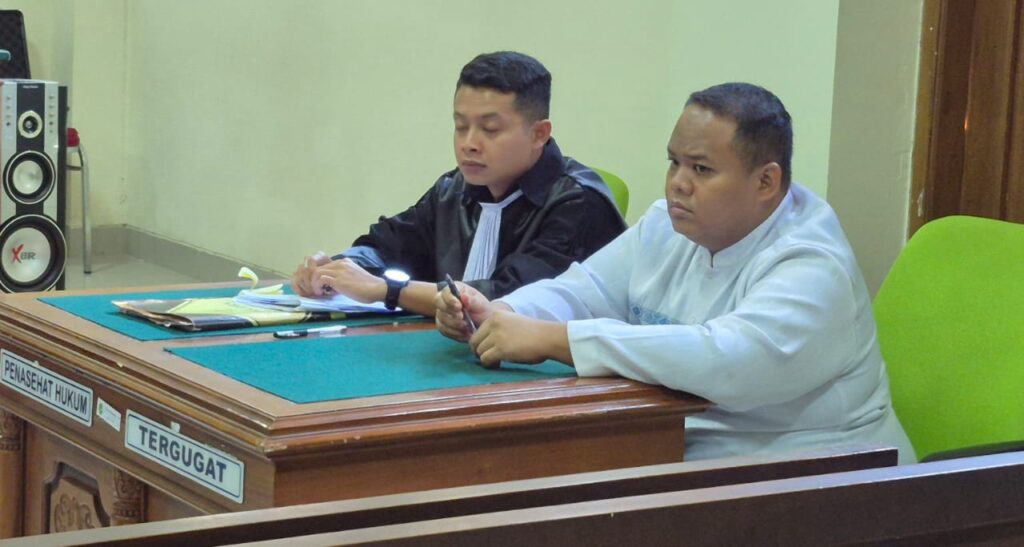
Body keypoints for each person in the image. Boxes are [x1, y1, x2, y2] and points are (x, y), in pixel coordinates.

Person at [436, 82, 916, 464]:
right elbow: (584, 290)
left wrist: (555, 339)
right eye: (674, 163)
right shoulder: (668, 225)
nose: (678, 184)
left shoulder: (812, 263)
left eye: (701, 169)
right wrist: (500, 312)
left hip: (819, 474)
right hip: (681, 447)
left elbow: (727, 362)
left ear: (766, 181)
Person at [291, 51, 626, 316]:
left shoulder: (579, 203)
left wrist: (387, 290)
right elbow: (389, 244)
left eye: (490, 129)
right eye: (460, 126)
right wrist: (337, 269)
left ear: (539, 134)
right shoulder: (454, 189)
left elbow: (511, 299)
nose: (469, 144)